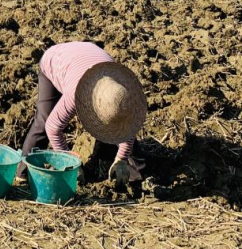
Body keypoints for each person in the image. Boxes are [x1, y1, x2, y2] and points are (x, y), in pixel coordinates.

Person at [19, 41, 147, 187]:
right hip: (56, 60)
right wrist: (70, 164)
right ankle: (22, 174)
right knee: (44, 119)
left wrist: (121, 159)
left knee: (118, 122)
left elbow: (127, 126)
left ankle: (134, 175)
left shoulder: (122, 93)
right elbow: (53, 128)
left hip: (91, 56)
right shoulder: (77, 94)